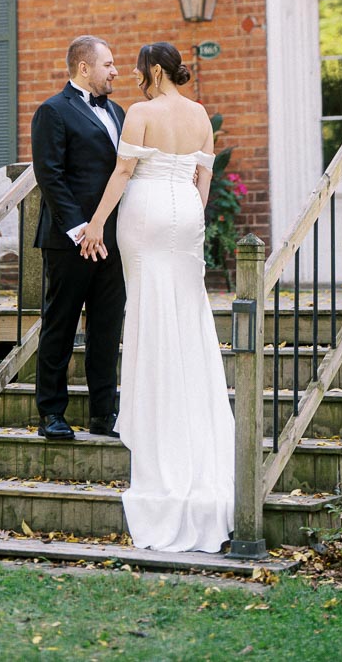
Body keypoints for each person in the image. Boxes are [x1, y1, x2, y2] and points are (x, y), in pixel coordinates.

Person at [80, 41, 234, 553]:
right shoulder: (199, 116)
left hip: (145, 212)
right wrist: (191, 214)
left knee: (146, 309)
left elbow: (123, 173)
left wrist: (96, 223)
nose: (137, 77)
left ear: (158, 69)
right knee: (189, 311)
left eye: (143, 69)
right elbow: (204, 179)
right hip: (187, 213)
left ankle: (150, 413)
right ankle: (190, 403)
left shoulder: (142, 113)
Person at [31, 36, 127, 440]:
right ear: (84, 68)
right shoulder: (52, 111)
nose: (115, 70)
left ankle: (104, 414)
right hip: (70, 241)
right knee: (61, 325)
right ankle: (51, 414)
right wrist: (80, 229)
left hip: (113, 239)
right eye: (108, 64)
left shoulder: (119, 111)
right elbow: (49, 175)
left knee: (107, 329)